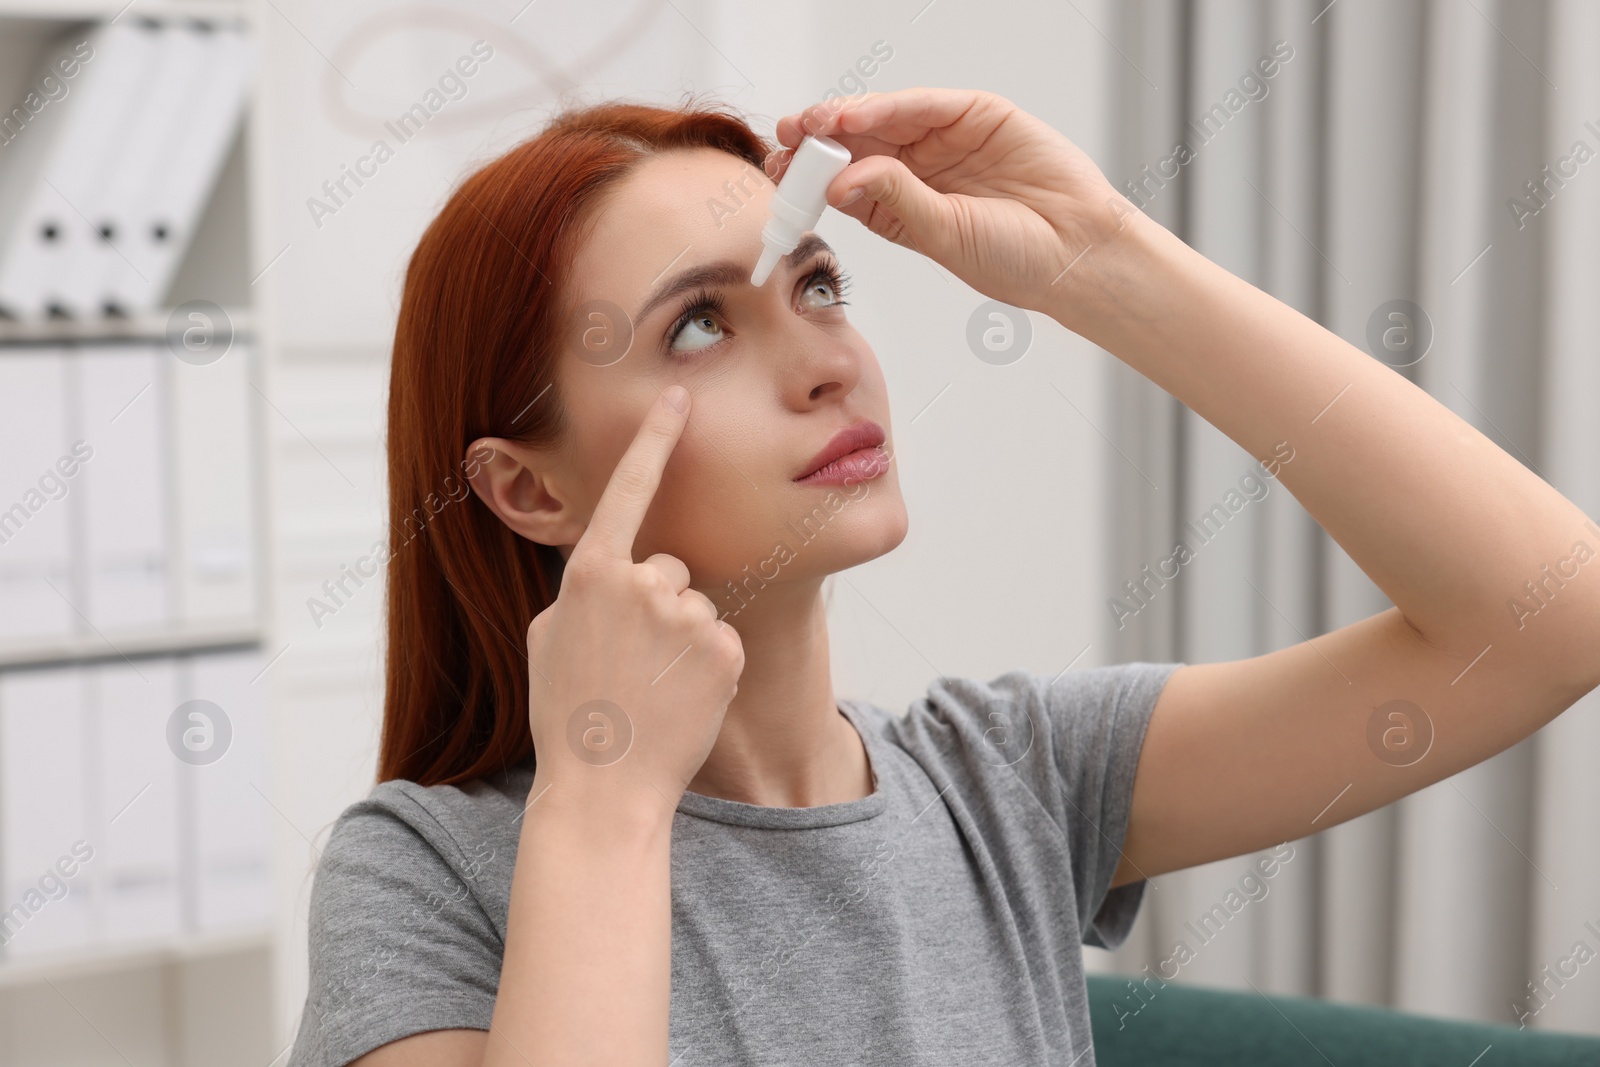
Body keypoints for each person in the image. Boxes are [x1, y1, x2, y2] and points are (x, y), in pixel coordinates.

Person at [285, 88, 1600, 1067]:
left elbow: (1546, 617)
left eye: (818, 285)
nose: (827, 361)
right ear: (528, 489)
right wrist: (607, 799)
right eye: (700, 324)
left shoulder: (1014, 780)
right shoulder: (425, 877)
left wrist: (1106, 266)